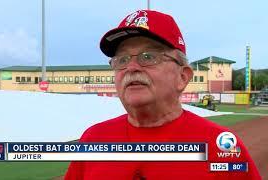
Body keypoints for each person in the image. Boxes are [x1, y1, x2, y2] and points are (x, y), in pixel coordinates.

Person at [65, 10, 261, 179]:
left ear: (182, 77)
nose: (131, 68)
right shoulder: (93, 139)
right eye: (122, 60)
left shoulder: (222, 146)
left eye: (148, 57)